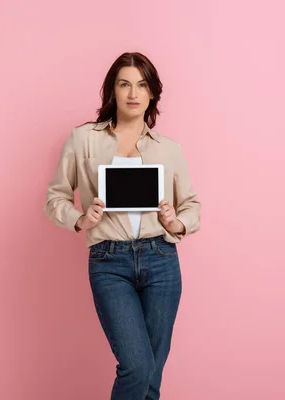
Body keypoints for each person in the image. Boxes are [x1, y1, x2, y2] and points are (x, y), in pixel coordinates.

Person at [44, 52, 201, 400]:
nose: (133, 93)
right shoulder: (83, 139)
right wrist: (81, 219)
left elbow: (192, 207)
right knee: (137, 365)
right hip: (108, 261)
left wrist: (175, 222)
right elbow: (55, 198)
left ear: (152, 93)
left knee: (152, 374)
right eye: (124, 83)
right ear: (112, 90)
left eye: (142, 85)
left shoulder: (169, 149)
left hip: (161, 258)